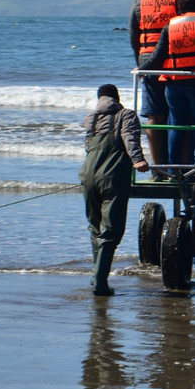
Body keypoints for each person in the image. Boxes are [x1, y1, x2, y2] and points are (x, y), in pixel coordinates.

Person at [139, 0, 195, 182]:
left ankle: (175, 171)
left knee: (177, 126)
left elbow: (158, 57)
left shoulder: (171, 25)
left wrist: (141, 70)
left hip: (174, 85)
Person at [79, 84, 150, 296]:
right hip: (113, 176)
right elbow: (130, 138)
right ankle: (100, 282)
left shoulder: (90, 118)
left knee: (95, 226)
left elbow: (88, 147)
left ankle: (96, 276)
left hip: (88, 175)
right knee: (111, 230)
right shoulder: (125, 115)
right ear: (117, 98)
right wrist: (138, 160)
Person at [129, 0, 178, 177]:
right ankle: (177, 166)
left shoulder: (139, 0)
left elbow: (133, 36)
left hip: (148, 61)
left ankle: (157, 168)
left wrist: (140, 61)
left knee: (154, 116)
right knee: (177, 114)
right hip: (176, 59)